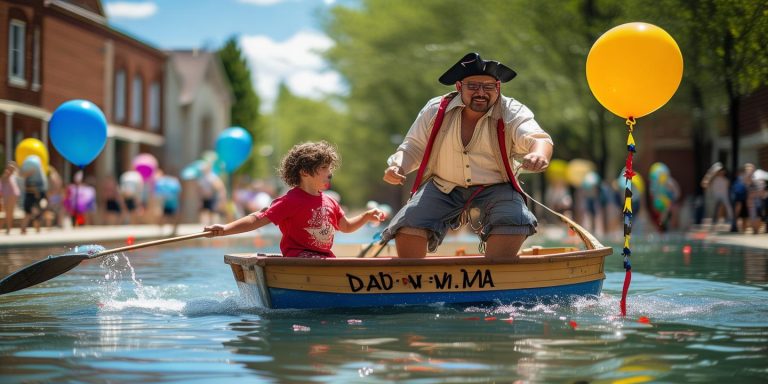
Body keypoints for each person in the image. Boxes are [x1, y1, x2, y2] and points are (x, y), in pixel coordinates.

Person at [381, 52, 553, 259]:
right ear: (459, 87)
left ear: (498, 88)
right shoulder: (436, 109)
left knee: (514, 220)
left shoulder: (512, 110)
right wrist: (397, 167)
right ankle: (414, 282)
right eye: (473, 86)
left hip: (496, 186)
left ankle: (494, 280)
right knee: (409, 225)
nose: (481, 92)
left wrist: (538, 154)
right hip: (443, 185)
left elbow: (538, 138)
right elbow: (412, 147)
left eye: (489, 87)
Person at [205, 141, 386, 258]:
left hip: (325, 261)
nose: (329, 173)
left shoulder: (330, 202)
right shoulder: (291, 201)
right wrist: (226, 229)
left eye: (329, 168)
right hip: (298, 260)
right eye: (324, 167)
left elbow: (345, 227)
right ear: (305, 172)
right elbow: (258, 219)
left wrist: (366, 216)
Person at [1, 161, 21, 234]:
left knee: (10, 213)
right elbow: (5, 179)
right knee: (8, 213)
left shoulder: (15, 174)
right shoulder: (7, 173)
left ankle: (8, 229)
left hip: (12, 195)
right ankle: (7, 228)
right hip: (7, 195)